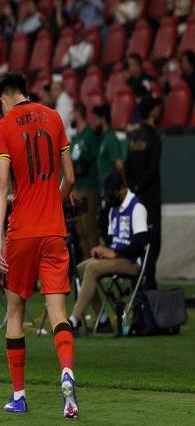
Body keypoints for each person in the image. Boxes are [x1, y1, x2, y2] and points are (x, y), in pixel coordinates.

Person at [0, 72, 77, 417]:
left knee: (15, 311)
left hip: (22, 232)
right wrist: (57, 201)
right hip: (54, 231)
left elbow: (1, 187)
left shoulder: (3, 127)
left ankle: (19, 396)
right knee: (58, 313)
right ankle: (67, 373)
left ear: (3, 99)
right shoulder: (54, 117)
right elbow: (70, 178)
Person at [68, 171, 148, 331]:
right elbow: (113, 241)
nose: (111, 198)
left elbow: (140, 244)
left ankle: (74, 319)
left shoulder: (137, 207)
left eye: (113, 193)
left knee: (92, 268)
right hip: (117, 258)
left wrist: (115, 253)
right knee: (80, 268)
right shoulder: (114, 209)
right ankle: (102, 319)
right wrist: (103, 251)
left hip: (132, 261)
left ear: (123, 189)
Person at [125, 96, 162, 289]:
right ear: (152, 112)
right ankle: (149, 281)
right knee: (153, 240)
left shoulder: (134, 137)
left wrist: (134, 188)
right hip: (151, 197)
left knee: (137, 237)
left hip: (136, 198)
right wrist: (141, 187)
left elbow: (127, 167)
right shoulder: (154, 136)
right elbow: (153, 168)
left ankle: (136, 280)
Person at [70, 102, 100, 260]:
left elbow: (95, 157)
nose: (70, 116)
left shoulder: (89, 134)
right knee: (80, 229)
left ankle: (97, 262)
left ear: (78, 113)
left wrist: (84, 166)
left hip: (89, 186)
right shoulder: (76, 137)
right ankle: (87, 263)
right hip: (78, 187)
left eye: (72, 113)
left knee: (89, 227)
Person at [93, 104, 124, 192]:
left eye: (96, 119)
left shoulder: (110, 138)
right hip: (104, 189)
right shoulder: (104, 138)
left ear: (103, 119)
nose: (94, 123)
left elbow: (120, 165)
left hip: (111, 191)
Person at [50, 74, 74, 138]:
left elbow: (62, 123)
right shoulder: (61, 100)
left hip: (67, 136)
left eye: (53, 90)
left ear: (59, 89)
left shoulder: (64, 101)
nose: (51, 93)